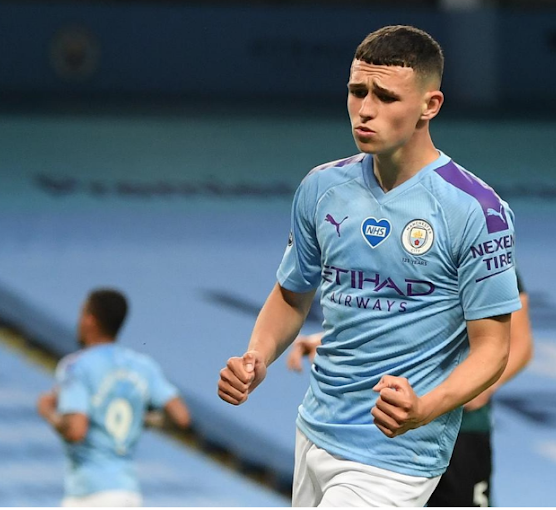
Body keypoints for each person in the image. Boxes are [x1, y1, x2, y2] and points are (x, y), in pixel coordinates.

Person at [218, 25, 521, 507]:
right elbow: (292, 295)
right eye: (357, 91)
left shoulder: (474, 210)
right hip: (315, 429)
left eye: (385, 96)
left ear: (430, 105)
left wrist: (425, 408)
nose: (365, 108)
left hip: (397, 453)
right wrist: (257, 357)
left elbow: (494, 349)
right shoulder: (321, 188)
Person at [287, 272, 533, 507]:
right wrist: (327, 340)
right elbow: (396, 319)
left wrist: (481, 388)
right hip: (390, 428)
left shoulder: (482, 243)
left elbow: (520, 344)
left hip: (459, 425)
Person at [37, 288, 191, 507]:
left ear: (90, 320)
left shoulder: (77, 366)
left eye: (82, 314)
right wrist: (143, 420)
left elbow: (76, 429)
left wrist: (47, 411)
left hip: (89, 494)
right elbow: (181, 417)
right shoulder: (142, 365)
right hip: (127, 494)